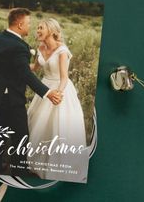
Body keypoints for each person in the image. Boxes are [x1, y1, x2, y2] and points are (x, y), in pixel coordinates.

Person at [0, 8, 62, 175]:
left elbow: (1, 61)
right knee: (21, 135)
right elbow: (25, 74)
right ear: (20, 24)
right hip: (10, 99)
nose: (30, 27)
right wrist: (48, 93)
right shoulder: (20, 47)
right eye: (28, 23)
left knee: (0, 127)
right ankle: (20, 170)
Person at [28, 18, 88, 181]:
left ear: (51, 31)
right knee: (38, 122)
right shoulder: (40, 47)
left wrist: (58, 95)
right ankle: (36, 162)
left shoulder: (62, 51)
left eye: (41, 28)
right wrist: (17, 64)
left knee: (57, 126)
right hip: (44, 87)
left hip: (59, 89)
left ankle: (59, 166)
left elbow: (63, 78)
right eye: (37, 28)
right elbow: (35, 67)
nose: (37, 30)